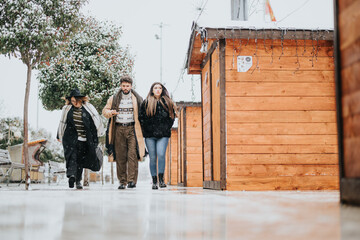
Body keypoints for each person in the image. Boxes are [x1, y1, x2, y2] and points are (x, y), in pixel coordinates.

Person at [102, 76, 145, 189]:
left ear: (131, 86)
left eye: (127, 86)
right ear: (120, 86)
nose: (125, 88)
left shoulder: (136, 98)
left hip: (132, 129)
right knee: (120, 157)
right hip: (118, 129)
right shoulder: (114, 98)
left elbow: (143, 111)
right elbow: (104, 111)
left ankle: (131, 181)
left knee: (132, 155)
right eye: (123, 86)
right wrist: (110, 112)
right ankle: (122, 181)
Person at [57, 88, 104, 189]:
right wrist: (59, 135)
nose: (74, 103)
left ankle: (78, 180)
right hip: (71, 139)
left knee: (80, 161)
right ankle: (72, 176)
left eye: (76, 101)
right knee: (71, 157)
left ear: (81, 99)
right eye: (72, 101)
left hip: (85, 140)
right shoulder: (67, 109)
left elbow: (93, 125)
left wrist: (95, 140)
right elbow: (62, 122)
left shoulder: (88, 109)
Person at [139, 82, 176, 190]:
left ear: (162, 89)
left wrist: (166, 128)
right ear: (152, 90)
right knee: (153, 157)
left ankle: (161, 179)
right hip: (150, 135)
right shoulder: (146, 103)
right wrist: (147, 129)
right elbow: (141, 118)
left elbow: (172, 117)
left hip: (163, 135)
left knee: (161, 154)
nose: (158, 90)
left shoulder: (168, 102)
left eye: (159, 88)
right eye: (155, 88)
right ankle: (154, 181)